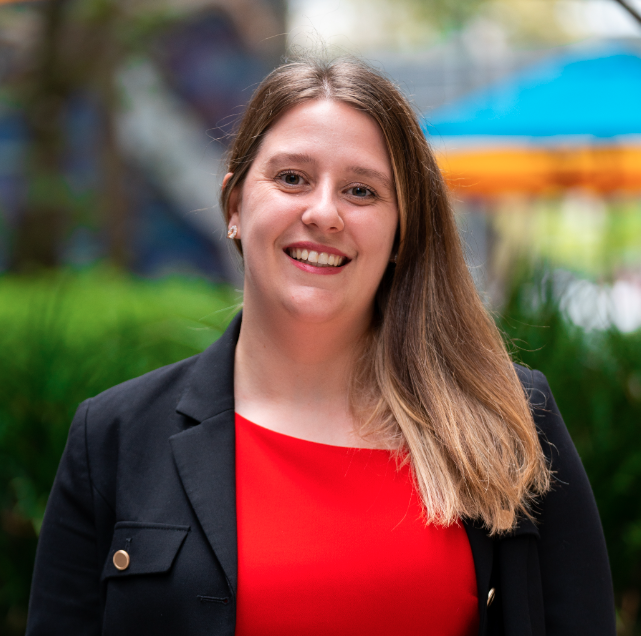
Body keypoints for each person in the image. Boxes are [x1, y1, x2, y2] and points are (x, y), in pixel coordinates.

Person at [27, 56, 615, 636]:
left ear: (400, 232)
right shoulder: (113, 436)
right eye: (291, 178)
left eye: (361, 191)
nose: (324, 212)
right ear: (235, 205)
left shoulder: (508, 418)